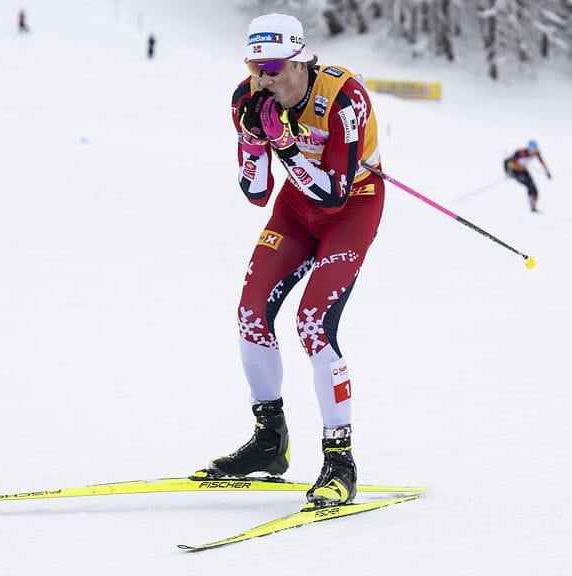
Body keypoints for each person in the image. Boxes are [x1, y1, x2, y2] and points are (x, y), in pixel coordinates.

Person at [192, 13, 384, 509]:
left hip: (351, 208)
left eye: (273, 67)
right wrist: (255, 141)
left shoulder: (343, 98)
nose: (263, 79)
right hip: (295, 210)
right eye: (255, 66)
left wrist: (285, 146)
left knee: (314, 323)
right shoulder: (247, 99)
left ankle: (340, 461)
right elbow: (256, 193)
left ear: (299, 61)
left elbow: (334, 195)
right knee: (251, 312)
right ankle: (269, 441)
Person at [504, 140, 551, 212]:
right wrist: (508, 172)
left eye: (535, 149)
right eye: (531, 150)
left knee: (534, 189)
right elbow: (506, 161)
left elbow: (542, 161)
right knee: (529, 185)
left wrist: (547, 171)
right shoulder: (520, 152)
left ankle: (533, 206)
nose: (533, 152)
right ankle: (532, 206)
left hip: (523, 170)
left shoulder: (536, 153)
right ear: (528, 148)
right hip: (515, 172)